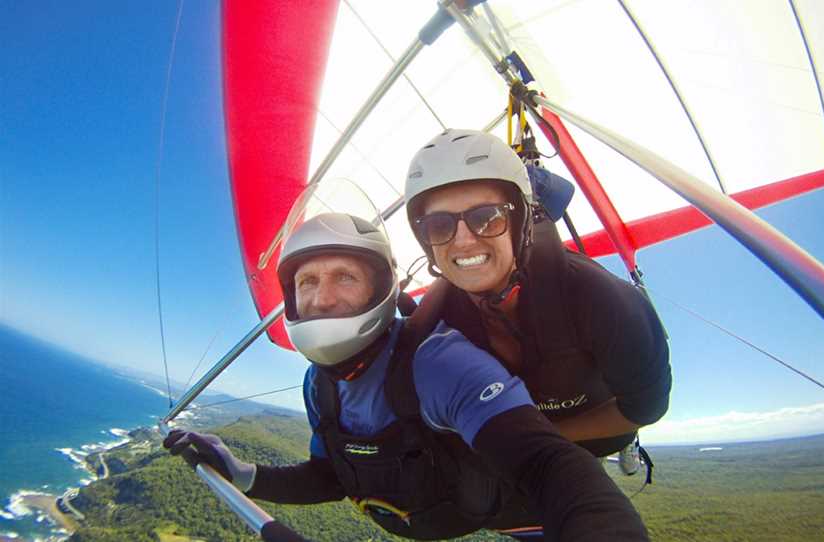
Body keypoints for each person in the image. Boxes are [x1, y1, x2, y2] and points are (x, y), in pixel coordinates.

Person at [165, 212, 649, 541]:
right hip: (430, 510)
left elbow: (548, 464)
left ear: (382, 289)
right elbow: (333, 475)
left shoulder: (437, 362)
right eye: (307, 281)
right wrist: (245, 475)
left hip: (512, 515)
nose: (323, 297)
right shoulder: (320, 384)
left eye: (345, 277)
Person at [404, 129, 672, 473]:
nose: (464, 241)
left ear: (520, 224)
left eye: (487, 218)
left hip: (603, 432)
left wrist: (541, 438)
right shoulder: (435, 315)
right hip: (519, 436)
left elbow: (647, 407)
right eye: (439, 225)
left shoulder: (605, 301)